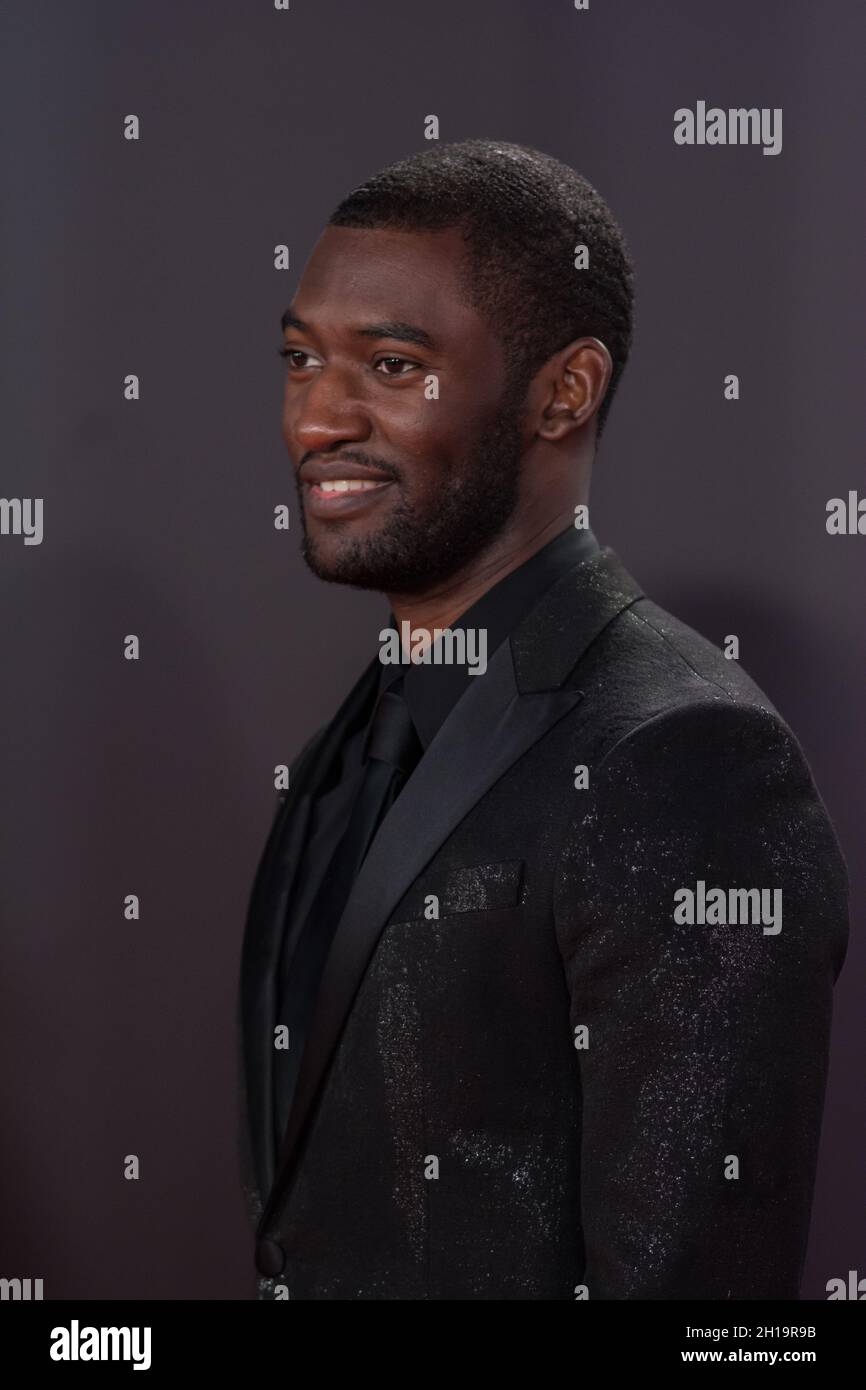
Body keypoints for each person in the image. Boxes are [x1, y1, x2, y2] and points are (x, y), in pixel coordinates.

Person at [238, 139, 848, 1300]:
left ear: (562, 391)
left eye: (390, 362)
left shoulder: (683, 757)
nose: (315, 418)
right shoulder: (356, 737)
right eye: (299, 356)